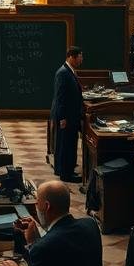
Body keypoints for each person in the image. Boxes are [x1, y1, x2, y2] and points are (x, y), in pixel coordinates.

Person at [51, 46, 84, 182]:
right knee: (66, 145)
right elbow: (61, 97)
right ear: (72, 57)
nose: (81, 60)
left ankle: (63, 170)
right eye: (80, 57)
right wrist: (63, 117)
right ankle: (66, 174)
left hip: (70, 115)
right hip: (66, 116)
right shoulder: (63, 73)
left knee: (67, 144)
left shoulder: (68, 71)